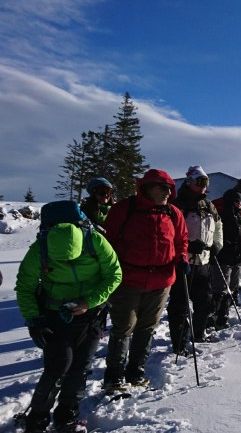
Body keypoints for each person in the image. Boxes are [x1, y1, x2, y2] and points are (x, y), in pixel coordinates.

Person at [15, 204, 122, 432]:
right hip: (55, 316)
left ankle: (67, 416)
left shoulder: (95, 241)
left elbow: (114, 274)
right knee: (58, 365)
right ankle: (37, 418)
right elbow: (25, 286)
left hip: (91, 314)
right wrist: (34, 320)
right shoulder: (39, 249)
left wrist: (89, 301)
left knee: (81, 365)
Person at [102, 169, 189, 391]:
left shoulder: (174, 213)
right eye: (163, 187)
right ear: (147, 188)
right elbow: (108, 242)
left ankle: (136, 371)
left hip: (162, 280)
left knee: (147, 326)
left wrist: (181, 258)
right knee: (124, 327)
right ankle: (114, 375)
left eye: (170, 188)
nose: (167, 192)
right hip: (128, 279)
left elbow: (181, 241)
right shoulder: (125, 209)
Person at [167, 166, 223, 354]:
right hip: (184, 262)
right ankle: (180, 344)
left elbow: (218, 226)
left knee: (205, 302)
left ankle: (198, 333)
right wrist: (187, 246)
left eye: (206, 183)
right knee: (180, 305)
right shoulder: (177, 206)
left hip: (204, 261)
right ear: (190, 182)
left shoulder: (209, 205)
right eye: (200, 182)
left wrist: (217, 245)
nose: (204, 187)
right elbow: (169, 233)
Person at [212, 183, 241, 329]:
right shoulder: (222, 218)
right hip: (223, 259)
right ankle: (215, 316)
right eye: (236, 201)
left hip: (237, 259)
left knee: (232, 289)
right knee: (221, 290)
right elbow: (217, 237)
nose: (240, 204)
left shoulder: (240, 218)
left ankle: (224, 315)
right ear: (229, 201)